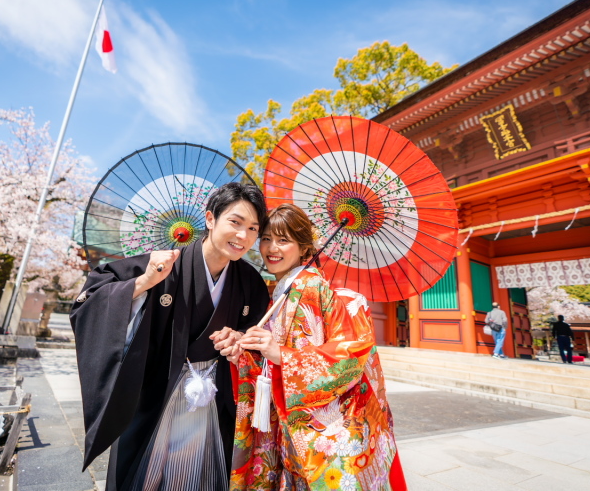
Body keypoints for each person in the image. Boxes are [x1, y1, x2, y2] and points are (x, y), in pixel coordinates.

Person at [70, 182, 271, 491]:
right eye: (235, 222)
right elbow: (90, 299)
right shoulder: (164, 263)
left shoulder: (251, 282)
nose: (243, 236)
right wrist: (145, 282)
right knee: (145, 477)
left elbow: (255, 331)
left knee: (198, 476)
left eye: (253, 228)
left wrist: (239, 341)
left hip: (212, 398)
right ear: (210, 219)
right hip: (157, 391)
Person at [218, 203, 406, 490]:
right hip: (291, 429)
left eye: (283, 240)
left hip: (321, 434)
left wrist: (281, 354)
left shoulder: (312, 287)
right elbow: (270, 360)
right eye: (266, 238)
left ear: (304, 247)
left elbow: (350, 356)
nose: (272, 248)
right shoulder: (282, 292)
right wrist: (243, 352)